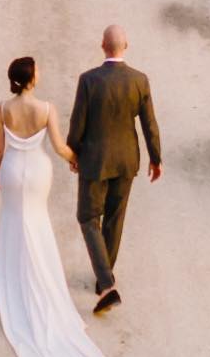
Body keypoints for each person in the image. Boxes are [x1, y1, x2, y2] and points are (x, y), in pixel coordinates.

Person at [0, 56, 101, 357]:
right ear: (31, 79)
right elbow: (59, 146)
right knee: (36, 222)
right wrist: (76, 160)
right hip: (37, 171)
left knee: (11, 220)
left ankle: (9, 280)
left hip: (12, 169)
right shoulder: (46, 109)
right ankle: (39, 275)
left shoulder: (1, 109)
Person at [67, 24, 163, 315]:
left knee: (87, 216)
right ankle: (103, 281)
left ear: (102, 46)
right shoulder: (140, 80)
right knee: (114, 219)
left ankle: (107, 282)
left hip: (95, 161)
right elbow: (149, 123)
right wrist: (155, 158)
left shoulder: (89, 80)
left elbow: (78, 122)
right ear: (126, 46)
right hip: (126, 160)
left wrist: (73, 153)